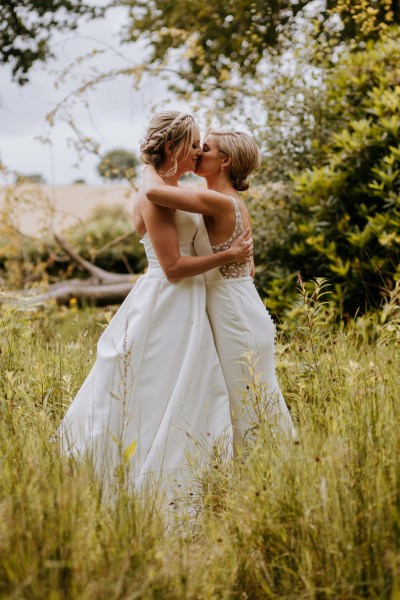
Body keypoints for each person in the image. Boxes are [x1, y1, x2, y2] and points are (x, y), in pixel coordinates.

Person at [57, 113, 253, 493]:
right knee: (156, 387)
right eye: (194, 144)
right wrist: (226, 258)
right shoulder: (154, 193)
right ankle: (144, 474)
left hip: (190, 301)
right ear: (171, 147)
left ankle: (197, 467)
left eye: (201, 145)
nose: (197, 152)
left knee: (189, 387)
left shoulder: (171, 188)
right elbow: (173, 267)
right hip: (170, 301)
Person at [143, 128, 295, 448]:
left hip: (234, 314)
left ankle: (269, 472)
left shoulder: (219, 200)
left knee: (249, 402)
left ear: (225, 161)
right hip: (239, 303)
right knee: (249, 398)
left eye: (206, 149)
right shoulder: (231, 201)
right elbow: (249, 267)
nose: (198, 153)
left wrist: (150, 159)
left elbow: (154, 194)